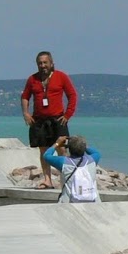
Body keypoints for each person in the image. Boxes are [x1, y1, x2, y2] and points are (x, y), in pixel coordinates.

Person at [21, 51, 78, 189]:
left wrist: (68, 115)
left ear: (51, 63)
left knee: (62, 150)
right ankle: (47, 180)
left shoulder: (61, 76)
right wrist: (26, 113)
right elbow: (25, 96)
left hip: (58, 119)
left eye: (45, 62)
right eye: (40, 63)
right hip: (39, 120)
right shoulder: (32, 79)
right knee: (44, 151)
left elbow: (72, 95)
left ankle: (65, 180)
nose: (42, 65)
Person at [45, 135, 101, 203]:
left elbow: (46, 155)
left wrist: (57, 143)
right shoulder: (92, 160)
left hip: (68, 202)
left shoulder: (63, 162)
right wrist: (83, 145)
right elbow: (96, 152)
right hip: (93, 202)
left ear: (69, 149)